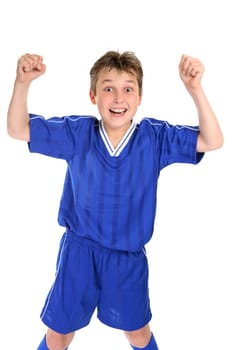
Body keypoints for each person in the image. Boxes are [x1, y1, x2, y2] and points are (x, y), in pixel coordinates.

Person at [7, 50, 223, 350]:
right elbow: (18, 129)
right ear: (93, 95)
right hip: (79, 253)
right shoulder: (78, 133)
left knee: (138, 333)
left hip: (127, 258)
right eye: (108, 88)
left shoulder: (154, 138)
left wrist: (195, 90)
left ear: (140, 97)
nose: (118, 97)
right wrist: (22, 84)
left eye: (128, 89)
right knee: (58, 335)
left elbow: (212, 141)